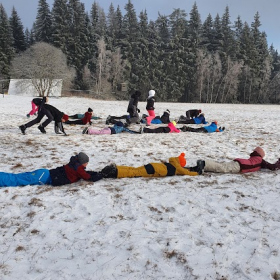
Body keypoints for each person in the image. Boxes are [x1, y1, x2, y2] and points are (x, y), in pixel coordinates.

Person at [0, 152, 103, 187]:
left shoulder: (73, 164)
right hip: (43, 177)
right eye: (86, 162)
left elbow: (83, 173)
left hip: (44, 173)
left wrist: (95, 172)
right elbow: (87, 177)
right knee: (17, 180)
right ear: (82, 162)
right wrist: (101, 175)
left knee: (18, 177)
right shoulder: (79, 169)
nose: (87, 164)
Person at [100, 153, 201, 179]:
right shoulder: (178, 168)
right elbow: (186, 172)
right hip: (154, 170)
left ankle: (116, 167)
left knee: (134, 169)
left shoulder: (172, 162)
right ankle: (116, 172)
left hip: (153, 166)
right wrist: (197, 173)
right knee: (135, 173)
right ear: (181, 164)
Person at [194, 147, 280, 174]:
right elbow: (273, 167)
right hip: (239, 166)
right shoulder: (261, 160)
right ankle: (204, 164)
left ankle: (204, 165)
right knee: (222, 168)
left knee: (222, 166)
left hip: (239, 163)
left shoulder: (255, 158)